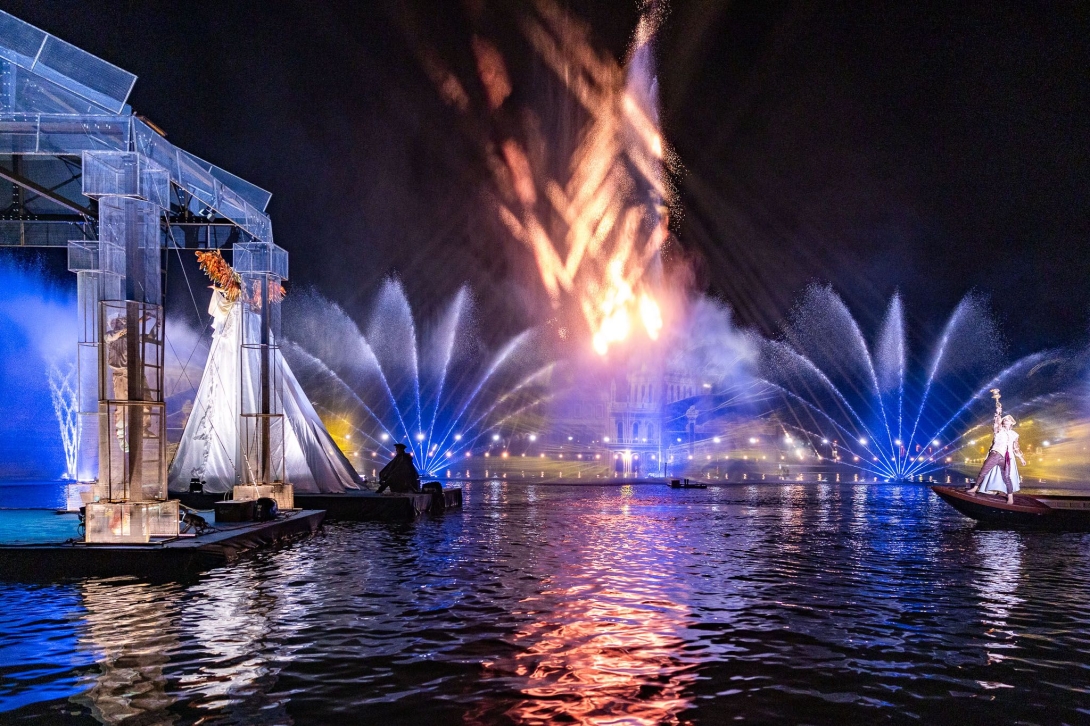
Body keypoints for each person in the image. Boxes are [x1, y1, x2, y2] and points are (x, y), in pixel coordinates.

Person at [966, 403, 1027, 505]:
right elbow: (997, 422)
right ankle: (975, 488)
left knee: (1007, 477)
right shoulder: (998, 430)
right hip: (995, 454)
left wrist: (1021, 458)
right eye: (1005, 420)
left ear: (1012, 423)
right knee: (983, 472)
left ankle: (1010, 497)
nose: (1006, 421)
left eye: (1008, 420)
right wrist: (998, 412)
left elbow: (1016, 447)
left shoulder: (1014, 435)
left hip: (1007, 457)